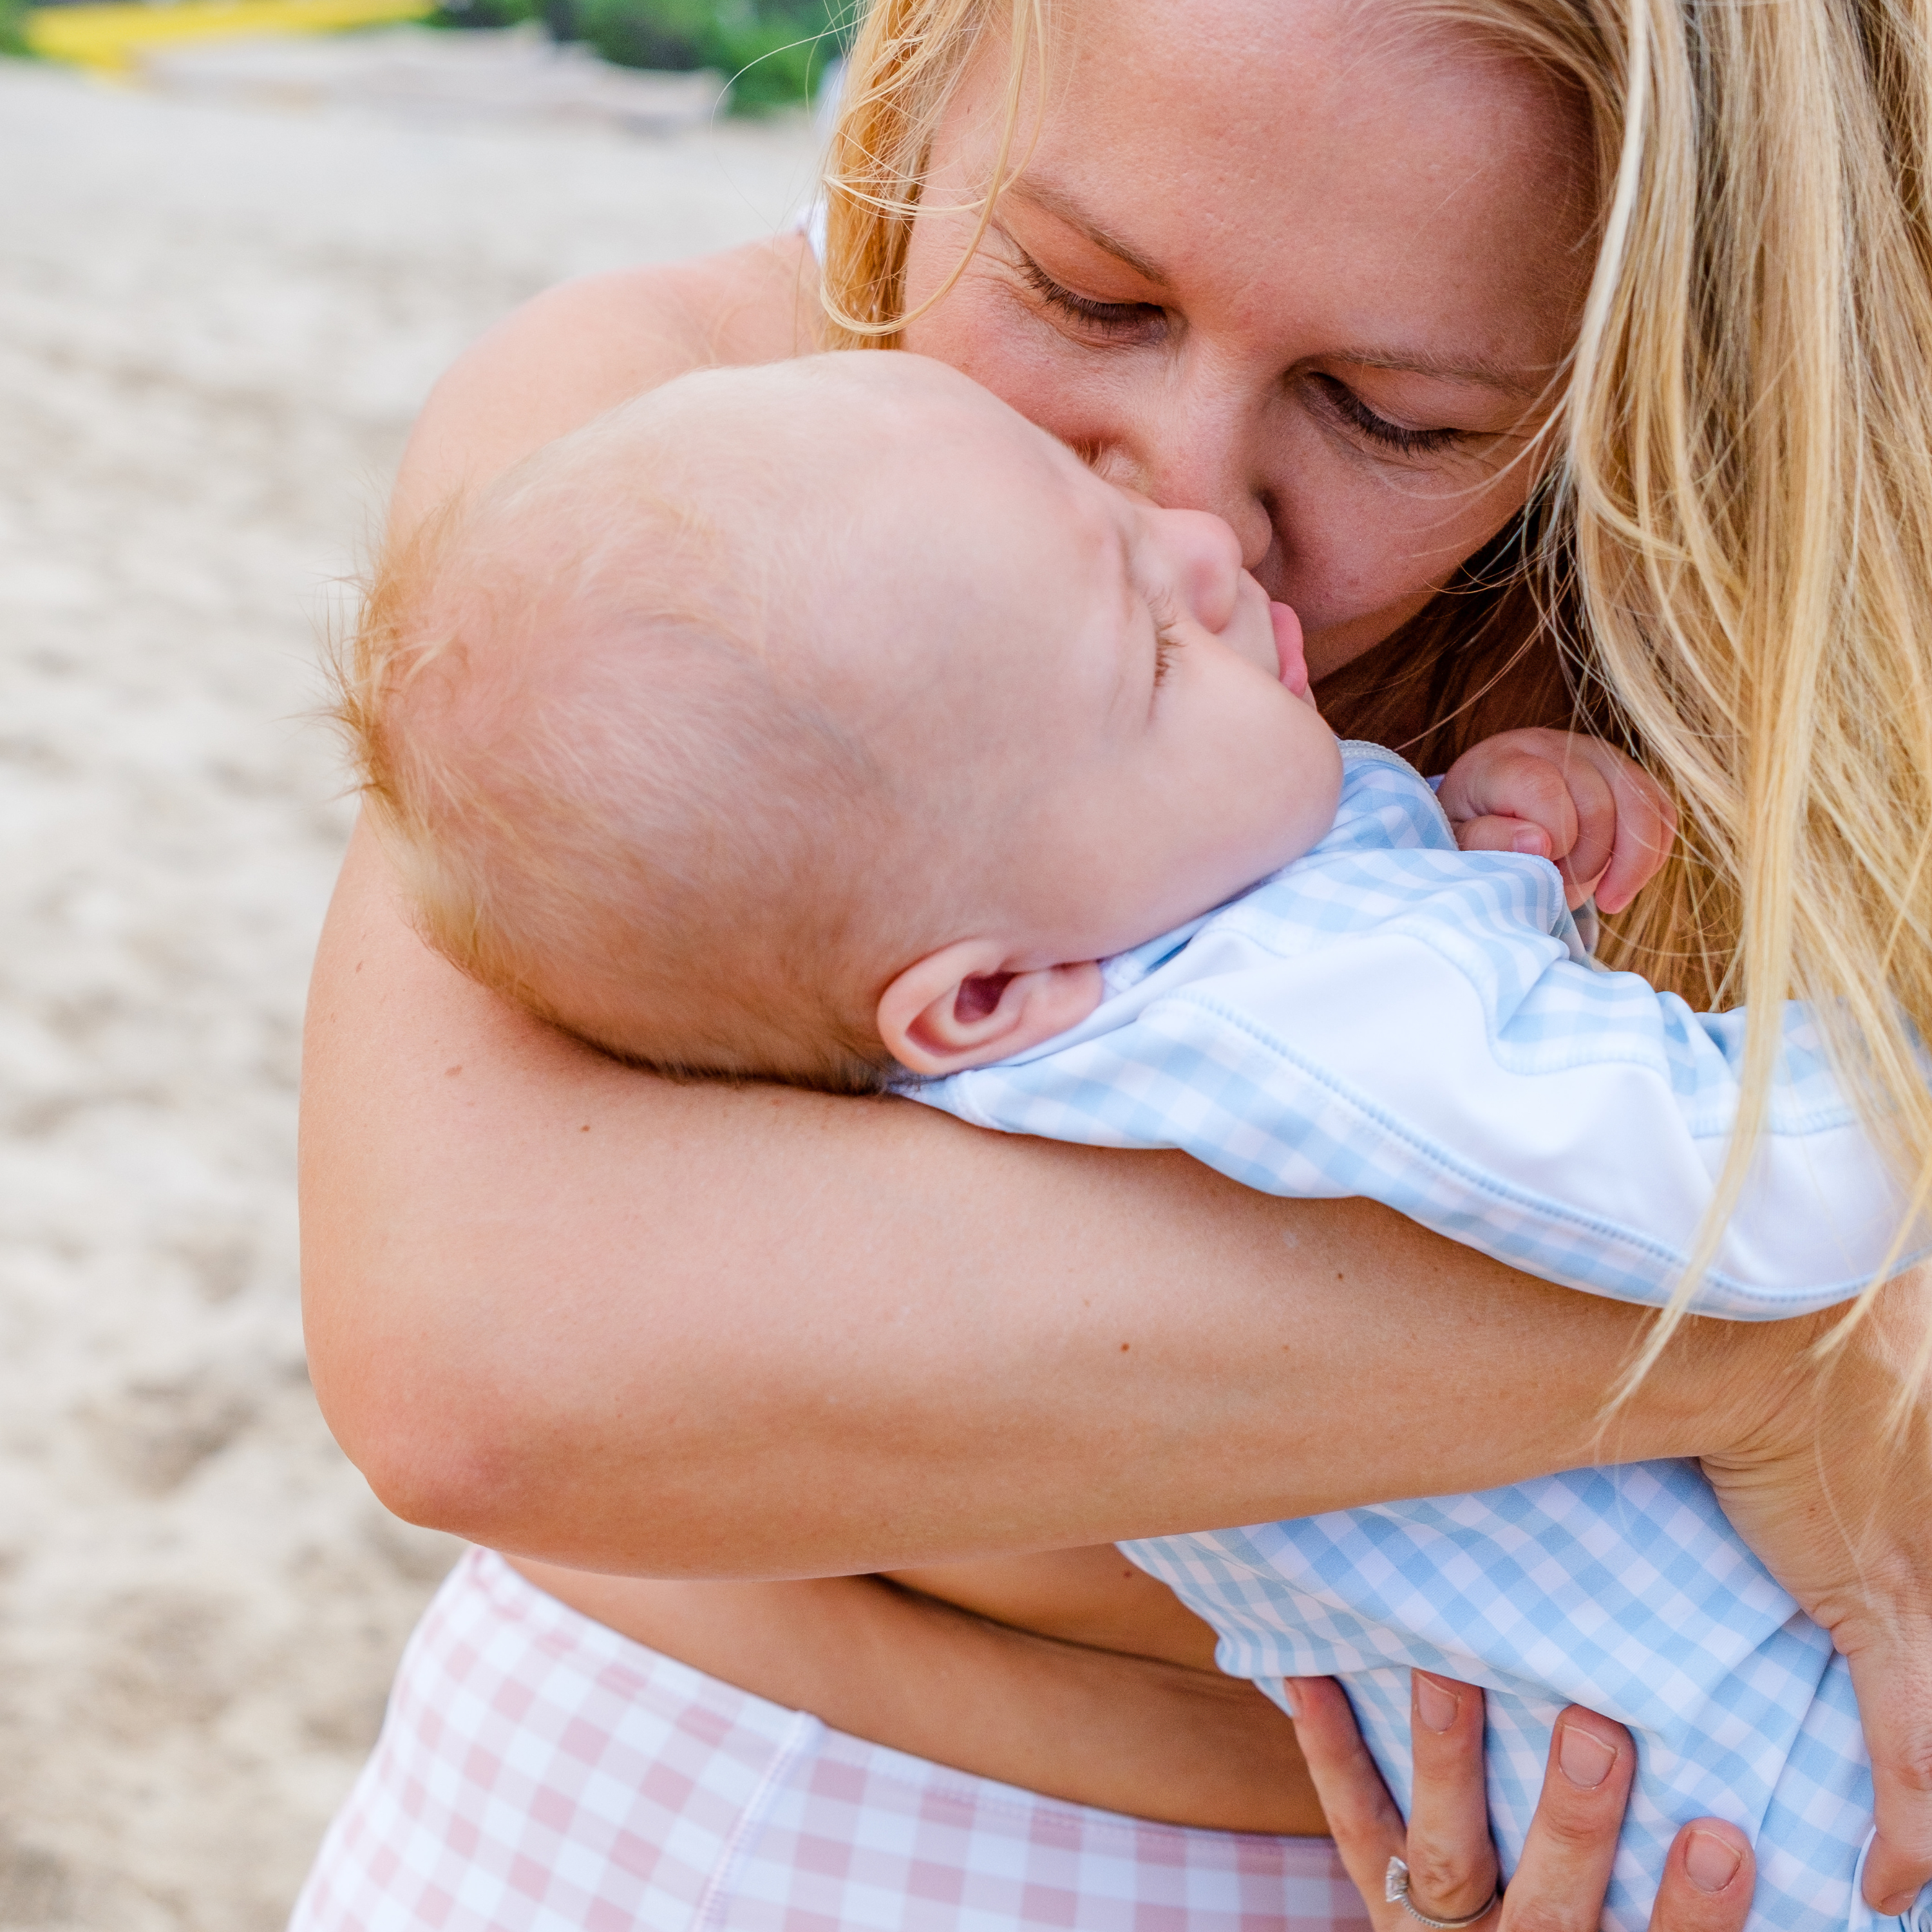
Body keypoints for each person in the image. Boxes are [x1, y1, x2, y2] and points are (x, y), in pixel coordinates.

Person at [292, 0, 1932, 1926]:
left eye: (1398, 415)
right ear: (917, 91)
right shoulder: (671, 477)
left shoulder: (1782, 616)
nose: (1183, 506)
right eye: (1081, 295)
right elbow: (483, 1365)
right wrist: (1761, 1368)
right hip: (734, 1817)